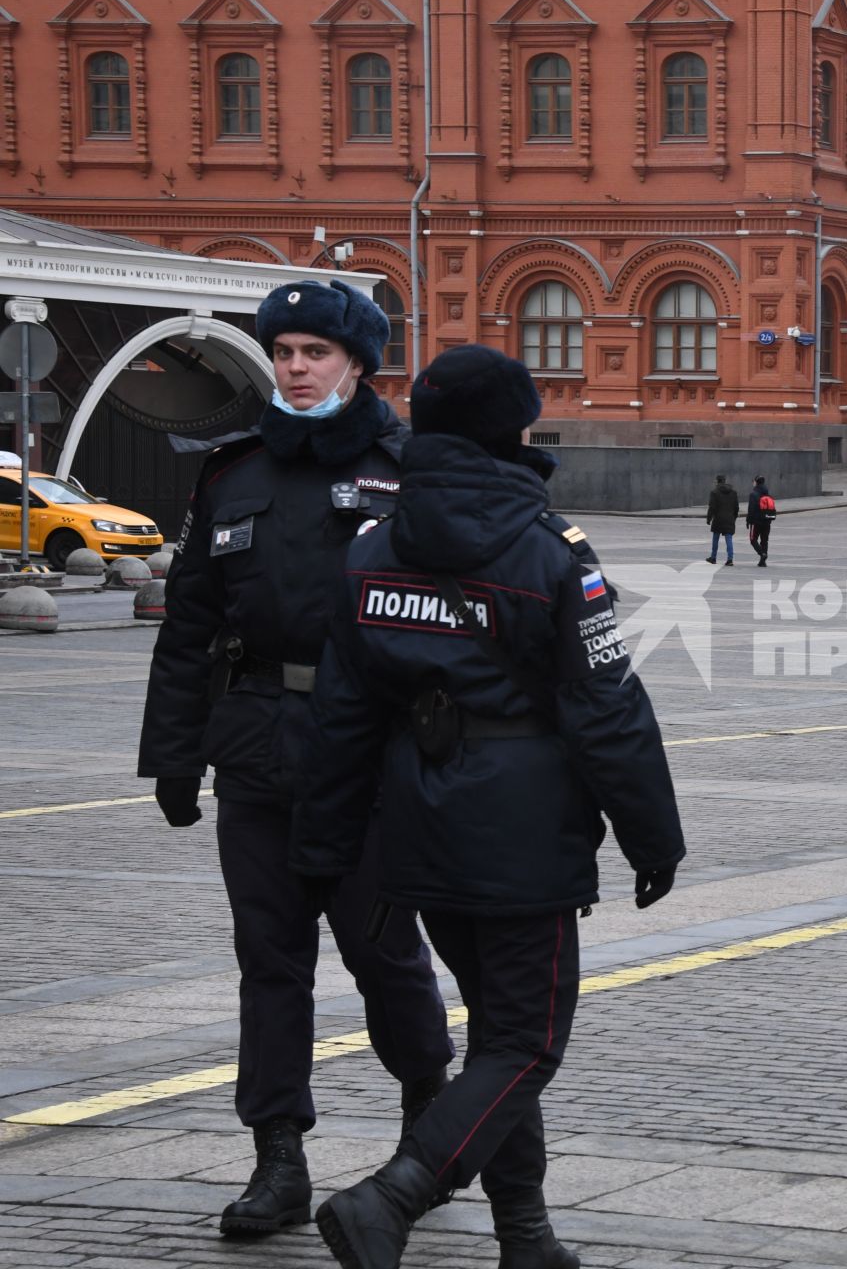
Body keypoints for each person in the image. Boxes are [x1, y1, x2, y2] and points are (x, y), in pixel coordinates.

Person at [291, 345, 685, 1269]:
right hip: (521, 832)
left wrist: (329, 841)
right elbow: (606, 709)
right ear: (514, 431)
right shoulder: (550, 551)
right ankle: (396, 1194)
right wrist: (652, 836)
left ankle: (526, 1235)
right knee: (525, 1043)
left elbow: (342, 715)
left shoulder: (371, 547)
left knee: (497, 1040)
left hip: (418, 826)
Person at [136, 280, 453, 1238]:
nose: (297, 368)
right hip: (258, 756)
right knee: (269, 962)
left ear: (358, 362)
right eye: (283, 352)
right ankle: (277, 1157)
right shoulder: (233, 474)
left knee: (385, 956)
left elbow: (454, 619)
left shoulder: (412, 469)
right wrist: (174, 755)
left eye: (316, 351)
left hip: (370, 762)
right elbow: (190, 622)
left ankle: (425, 1127)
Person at [706, 474, 739, 566]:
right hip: (729, 518)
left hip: (718, 519)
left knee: (715, 538)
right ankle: (730, 559)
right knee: (729, 538)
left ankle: (713, 557)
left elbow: (712, 507)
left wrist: (709, 518)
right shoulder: (733, 492)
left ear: (717, 481)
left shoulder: (714, 492)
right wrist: (734, 517)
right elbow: (736, 507)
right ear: (724, 481)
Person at [745, 475, 775, 568]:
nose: (752, 483)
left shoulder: (753, 494)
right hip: (767, 521)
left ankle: (762, 554)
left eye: (753, 481)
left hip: (756, 522)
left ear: (756, 482)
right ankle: (763, 561)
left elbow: (751, 509)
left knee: (753, 539)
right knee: (764, 540)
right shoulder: (767, 494)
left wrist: (748, 520)